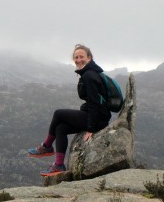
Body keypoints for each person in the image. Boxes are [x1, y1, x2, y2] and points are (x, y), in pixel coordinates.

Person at [28, 44, 111, 176]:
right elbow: (93, 101)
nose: (78, 60)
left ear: (89, 58)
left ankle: (47, 146)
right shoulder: (89, 73)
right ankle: (59, 165)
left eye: (82, 57)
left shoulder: (89, 75)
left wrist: (91, 128)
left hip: (98, 120)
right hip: (93, 115)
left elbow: (95, 103)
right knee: (61, 128)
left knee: (58, 113)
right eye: (76, 57)